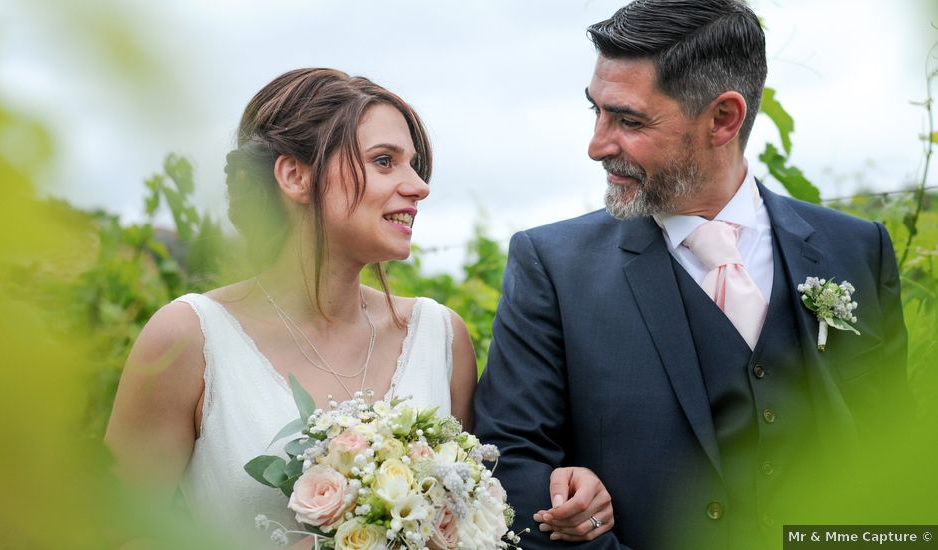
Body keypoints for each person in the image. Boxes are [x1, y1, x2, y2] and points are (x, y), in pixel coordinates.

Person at [105, 68, 612, 548]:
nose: (419, 186)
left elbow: (484, 513)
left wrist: (569, 486)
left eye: (413, 164)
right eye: (385, 161)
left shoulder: (440, 337)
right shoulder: (188, 337)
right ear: (294, 176)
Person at [472, 1, 911, 549]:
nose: (597, 144)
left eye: (629, 120)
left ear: (723, 119)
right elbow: (508, 462)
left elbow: (892, 447)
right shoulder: (552, 266)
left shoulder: (857, 250)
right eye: (597, 111)